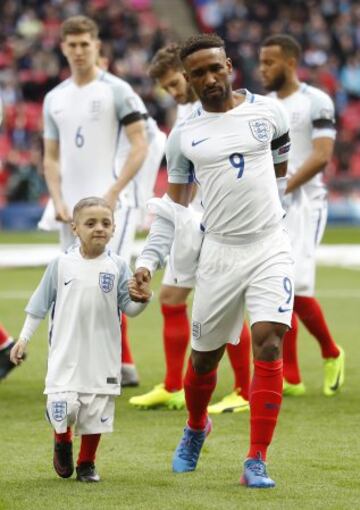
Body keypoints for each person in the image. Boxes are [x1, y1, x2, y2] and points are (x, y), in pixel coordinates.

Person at [132, 34, 294, 488]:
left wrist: (270, 219)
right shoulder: (183, 137)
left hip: (269, 245)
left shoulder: (270, 113)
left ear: (229, 65)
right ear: (187, 79)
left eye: (215, 68)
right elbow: (173, 208)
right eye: (197, 73)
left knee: (269, 342)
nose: (209, 79)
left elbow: (279, 170)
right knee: (204, 361)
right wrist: (149, 259)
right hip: (219, 253)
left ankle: (256, 459)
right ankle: (197, 425)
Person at [42, 15, 165, 387]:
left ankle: (112, 366)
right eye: (72, 45)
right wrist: (58, 199)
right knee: (72, 283)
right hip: (71, 210)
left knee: (109, 279)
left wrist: (113, 194)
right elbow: (50, 156)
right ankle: (96, 366)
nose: (79, 51)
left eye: (85, 44)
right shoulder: (54, 98)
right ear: (63, 47)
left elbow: (142, 145)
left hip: (115, 205)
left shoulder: (118, 90)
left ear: (97, 45)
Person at [129, 43, 251, 413]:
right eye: (166, 88)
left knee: (226, 308)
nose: (174, 91)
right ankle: (172, 385)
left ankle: (244, 391)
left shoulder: (212, 112)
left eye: (173, 83)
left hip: (213, 225)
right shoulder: (185, 116)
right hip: (189, 225)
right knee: (171, 299)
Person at [10, 197, 152, 482]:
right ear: (74, 228)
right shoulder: (61, 264)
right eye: (90, 223)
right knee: (63, 405)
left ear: (114, 229)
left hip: (103, 355)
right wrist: (23, 339)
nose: (99, 228)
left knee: (95, 412)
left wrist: (144, 299)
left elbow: (130, 308)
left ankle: (87, 463)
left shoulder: (119, 266)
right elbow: (38, 305)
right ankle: (62, 439)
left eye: (105, 223)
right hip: (65, 354)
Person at [259, 34, 345, 397]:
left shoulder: (316, 101)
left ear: (291, 63)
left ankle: (331, 352)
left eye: (270, 63)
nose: (262, 70)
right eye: (261, 63)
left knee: (296, 286)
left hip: (307, 205)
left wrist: (285, 185)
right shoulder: (260, 105)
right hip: (271, 206)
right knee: (279, 284)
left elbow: (323, 155)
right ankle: (290, 378)